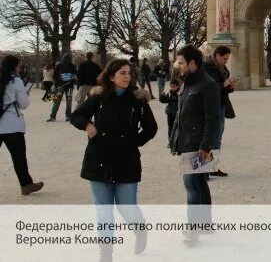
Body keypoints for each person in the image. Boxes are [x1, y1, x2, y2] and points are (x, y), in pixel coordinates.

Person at [70, 58, 157, 257]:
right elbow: (77, 115)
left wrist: (134, 142)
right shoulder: (98, 98)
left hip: (126, 160)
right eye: (122, 73)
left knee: (127, 208)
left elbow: (151, 128)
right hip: (98, 158)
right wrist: (87, 125)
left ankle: (140, 230)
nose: (127, 77)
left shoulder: (137, 99)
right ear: (111, 76)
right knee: (103, 210)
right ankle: (106, 252)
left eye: (129, 73)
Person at [170, 45, 221, 245]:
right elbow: (179, 115)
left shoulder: (208, 85)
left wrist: (205, 146)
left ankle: (193, 228)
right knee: (199, 183)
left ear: (193, 63)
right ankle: (205, 224)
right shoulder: (186, 83)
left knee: (191, 184)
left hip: (199, 144)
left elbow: (213, 120)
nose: (178, 65)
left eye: (181, 62)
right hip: (187, 142)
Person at [1, 55, 44, 196]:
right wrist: (25, 94)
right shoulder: (15, 81)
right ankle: (25, 184)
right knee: (19, 157)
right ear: (15, 66)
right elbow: (24, 104)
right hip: (12, 124)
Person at [203, 45, 236, 177]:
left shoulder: (222, 68)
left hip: (221, 104)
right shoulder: (205, 68)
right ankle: (206, 168)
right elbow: (208, 88)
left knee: (217, 137)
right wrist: (224, 84)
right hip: (210, 106)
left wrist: (230, 87)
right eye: (224, 59)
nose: (226, 61)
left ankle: (212, 167)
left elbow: (223, 89)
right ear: (217, 56)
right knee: (209, 137)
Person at [47, 53, 77, 122]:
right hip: (69, 86)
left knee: (56, 101)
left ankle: (53, 116)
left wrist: (55, 83)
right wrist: (71, 79)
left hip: (60, 85)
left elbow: (54, 75)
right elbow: (75, 75)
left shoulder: (59, 65)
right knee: (68, 102)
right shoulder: (72, 66)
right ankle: (68, 116)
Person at [160, 79, 180, 146]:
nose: (172, 88)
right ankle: (170, 141)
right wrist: (162, 96)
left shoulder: (180, 93)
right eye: (171, 86)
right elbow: (165, 101)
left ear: (178, 86)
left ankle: (178, 141)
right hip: (170, 113)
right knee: (170, 127)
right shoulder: (169, 93)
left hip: (177, 114)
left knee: (177, 127)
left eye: (174, 86)